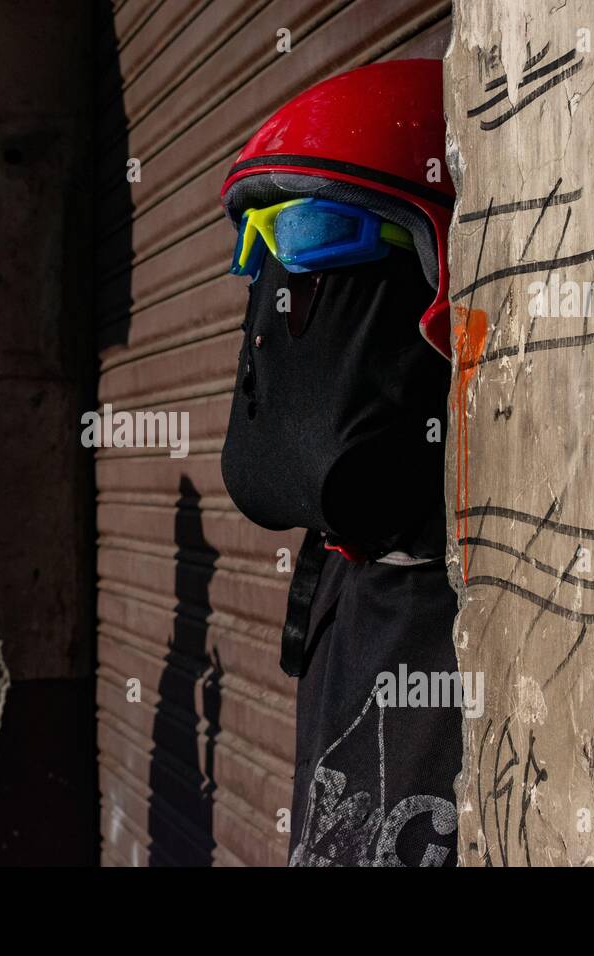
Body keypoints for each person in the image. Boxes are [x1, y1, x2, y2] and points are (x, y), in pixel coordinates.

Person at [218, 60, 461, 866]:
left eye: (311, 234)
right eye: (255, 248)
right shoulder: (331, 573)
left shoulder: (517, 609)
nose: (274, 283)